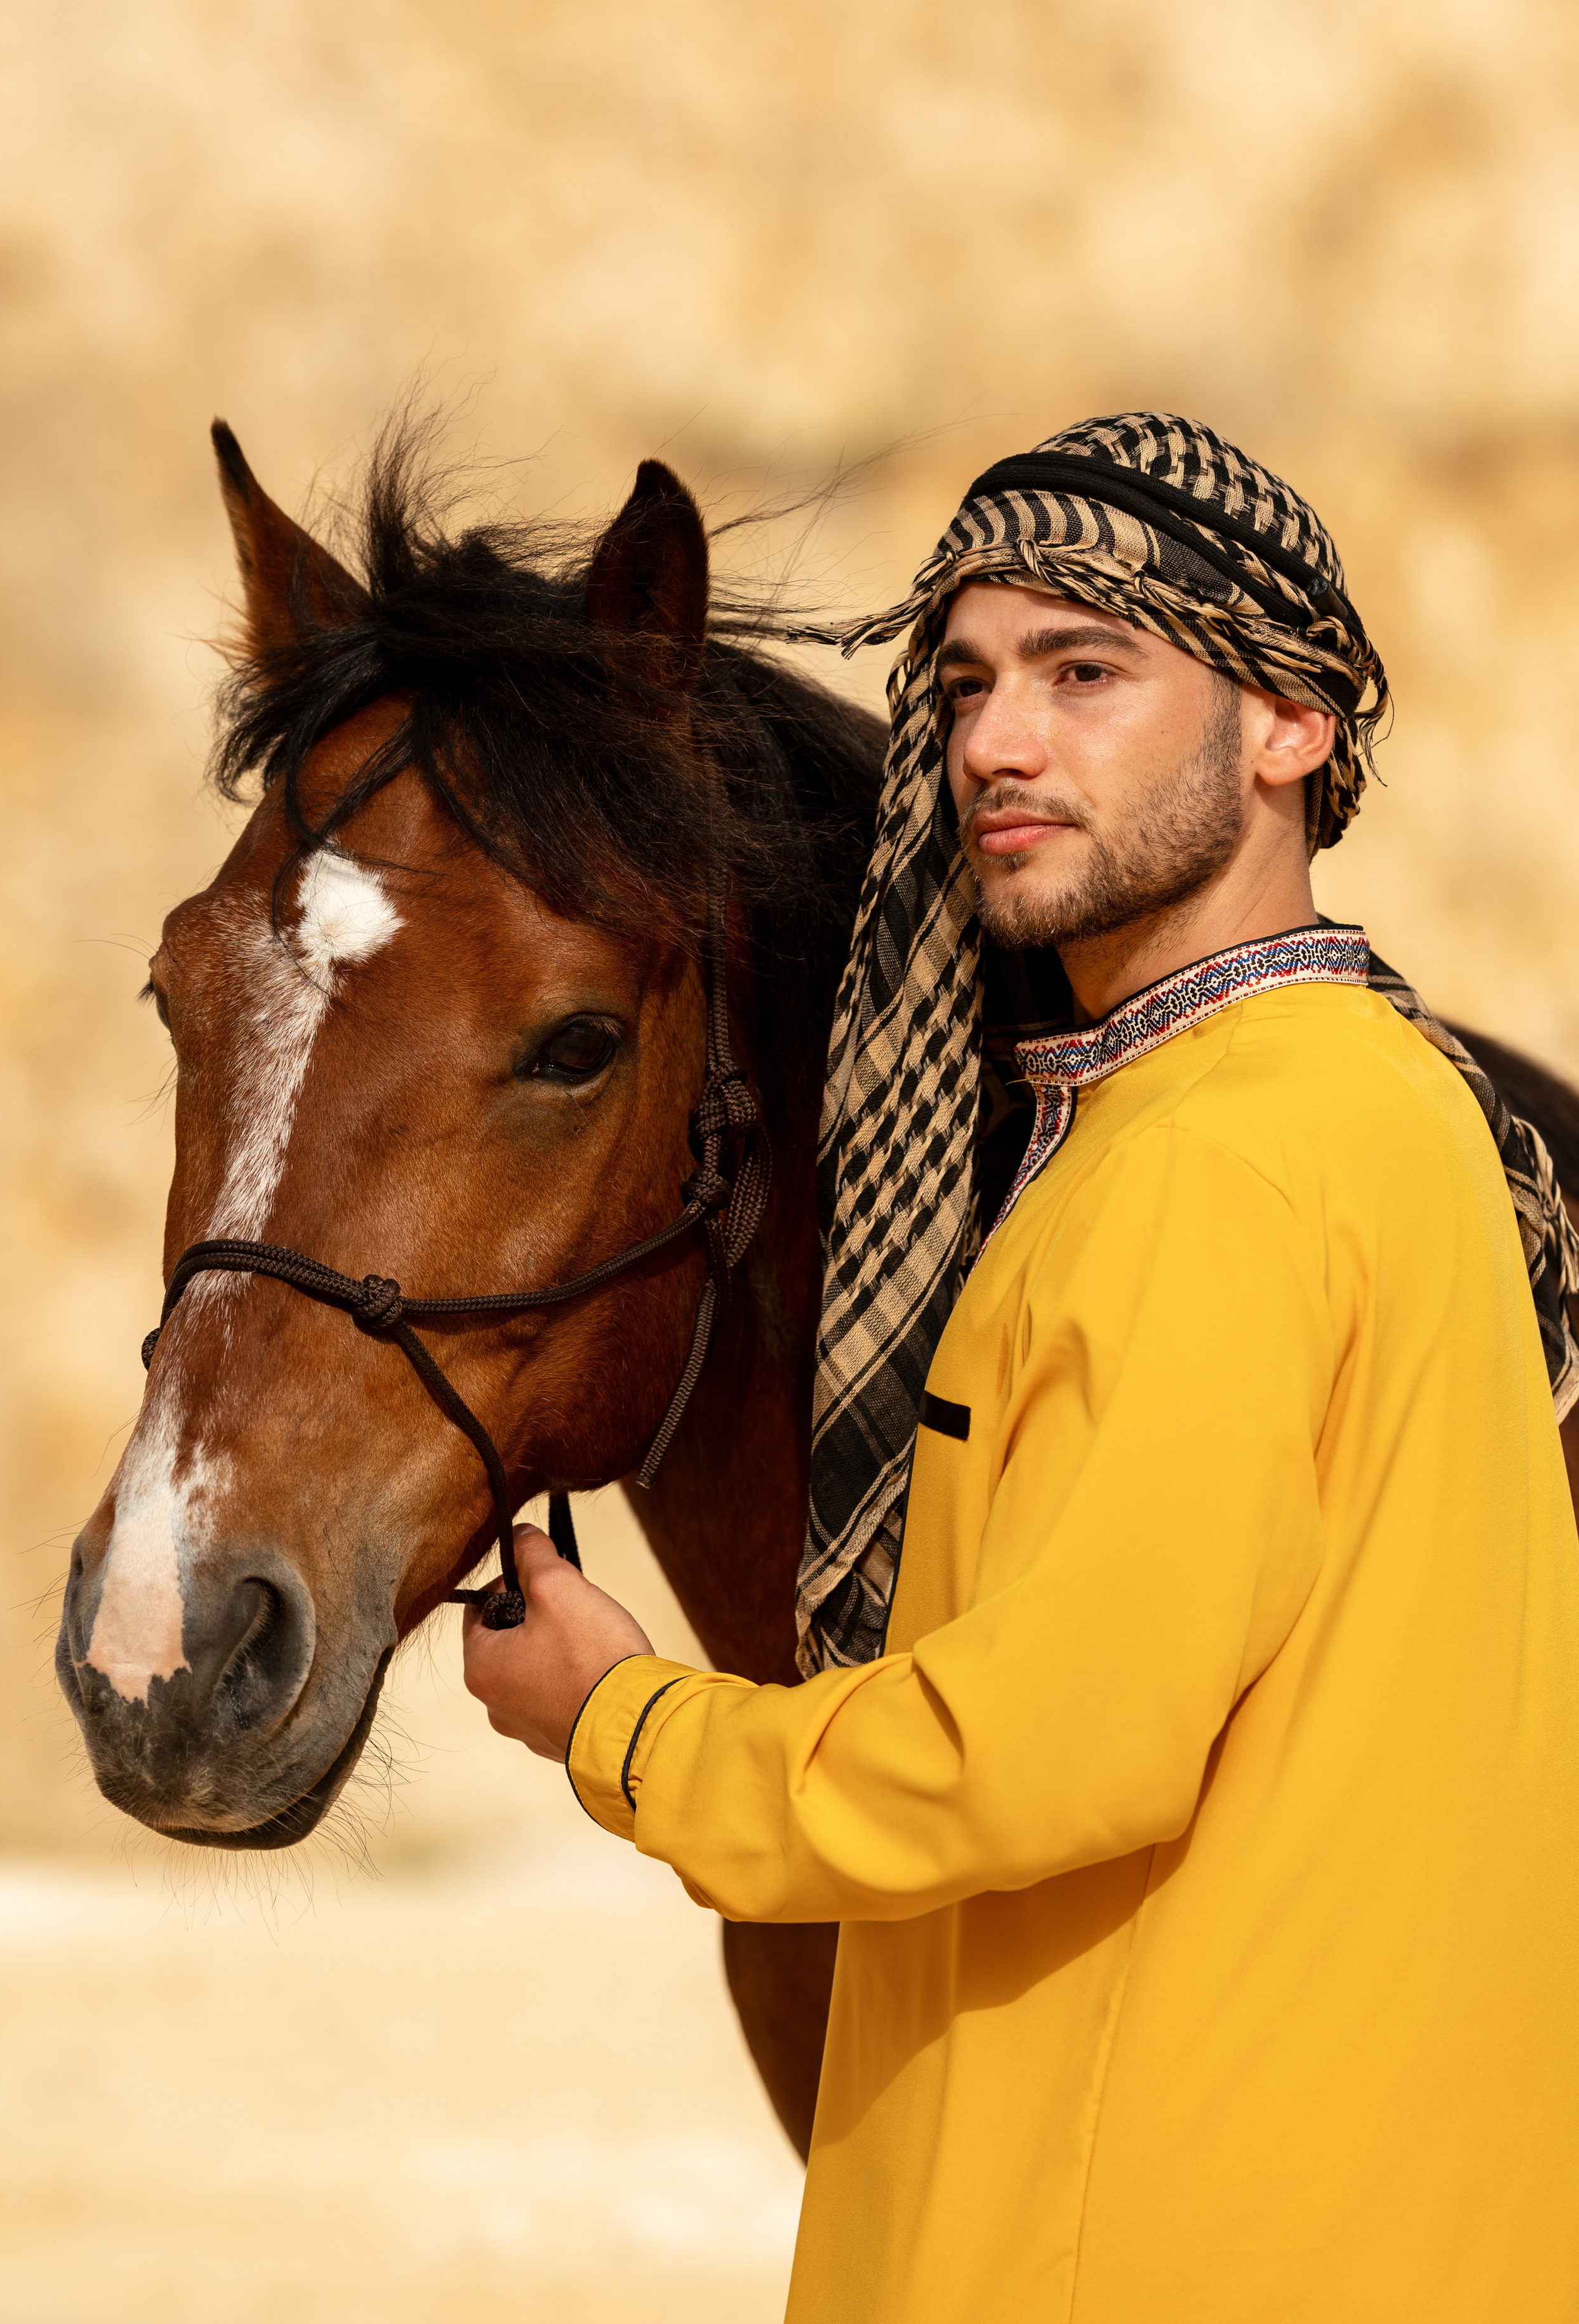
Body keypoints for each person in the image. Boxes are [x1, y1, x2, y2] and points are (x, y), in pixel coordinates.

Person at [464, 413, 1579, 2323]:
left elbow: (1046, 1751)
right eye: (968, 682)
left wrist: (624, 1723)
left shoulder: (1218, 1164)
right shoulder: (1370, 1104)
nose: (994, 740)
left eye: (1088, 673)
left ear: (1291, 724)